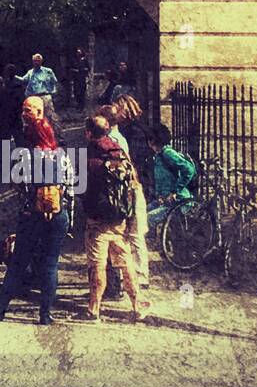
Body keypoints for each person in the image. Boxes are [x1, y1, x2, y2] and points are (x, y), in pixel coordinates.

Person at [0, 96, 73, 325]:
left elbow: (20, 187)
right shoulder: (62, 156)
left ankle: (1, 310)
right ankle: (45, 315)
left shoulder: (25, 157)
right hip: (57, 213)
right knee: (50, 263)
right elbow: (71, 187)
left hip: (31, 215)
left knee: (18, 262)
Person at [79, 115, 147, 322]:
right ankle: (137, 304)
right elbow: (133, 182)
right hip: (119, 219)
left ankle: (94, 307)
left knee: (97, 264)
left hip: (98, 221)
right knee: (125, 262)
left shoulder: (90, 157)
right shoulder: (119, 152)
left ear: (89, 132)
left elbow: (81, 188)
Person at [98, 101, 149, 287]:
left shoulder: (114, 140)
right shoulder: (116, 137)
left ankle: (140, 277)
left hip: (127, 190)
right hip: (128, 189)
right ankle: (131, 277)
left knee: (132, 234)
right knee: (128, 235)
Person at [145, 122, 197, 230]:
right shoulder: (158, 156)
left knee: (146, 219)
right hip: (165, 201)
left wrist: (175, 191)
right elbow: (161, 180)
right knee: (140, 214)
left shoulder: (168, 153)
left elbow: (189, 169)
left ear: (152, 140)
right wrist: (159, 195)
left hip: (178, 201)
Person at [15, 54, 61, 129]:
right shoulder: (30, 72)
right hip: (34, 97)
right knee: (36, 116)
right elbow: (23, 80)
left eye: (38, 61)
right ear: (32, 62)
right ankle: (40, 134)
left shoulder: (47, 71)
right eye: (35, 61)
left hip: (45, 95)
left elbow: (54, 81)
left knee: (50, 116)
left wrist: (54, 91)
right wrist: (13, 76)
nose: (36, 62)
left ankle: (56, 134)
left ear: (41, 61)